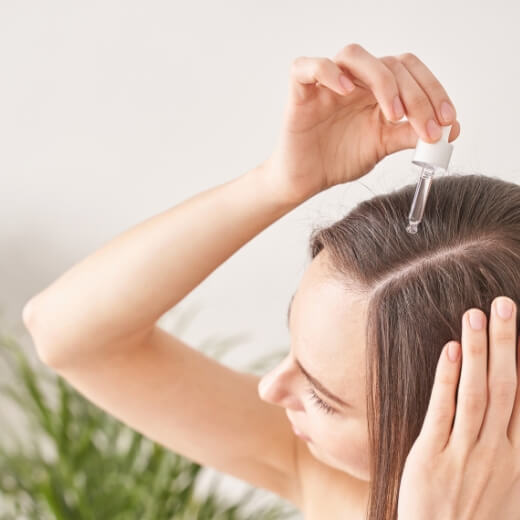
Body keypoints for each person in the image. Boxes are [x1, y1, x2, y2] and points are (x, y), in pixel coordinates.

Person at [21, 43, 520, 519]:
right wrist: (279, 182)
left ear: (479, 415)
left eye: (324, 397)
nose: (270, 388)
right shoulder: (338, 483)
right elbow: (68, 335)